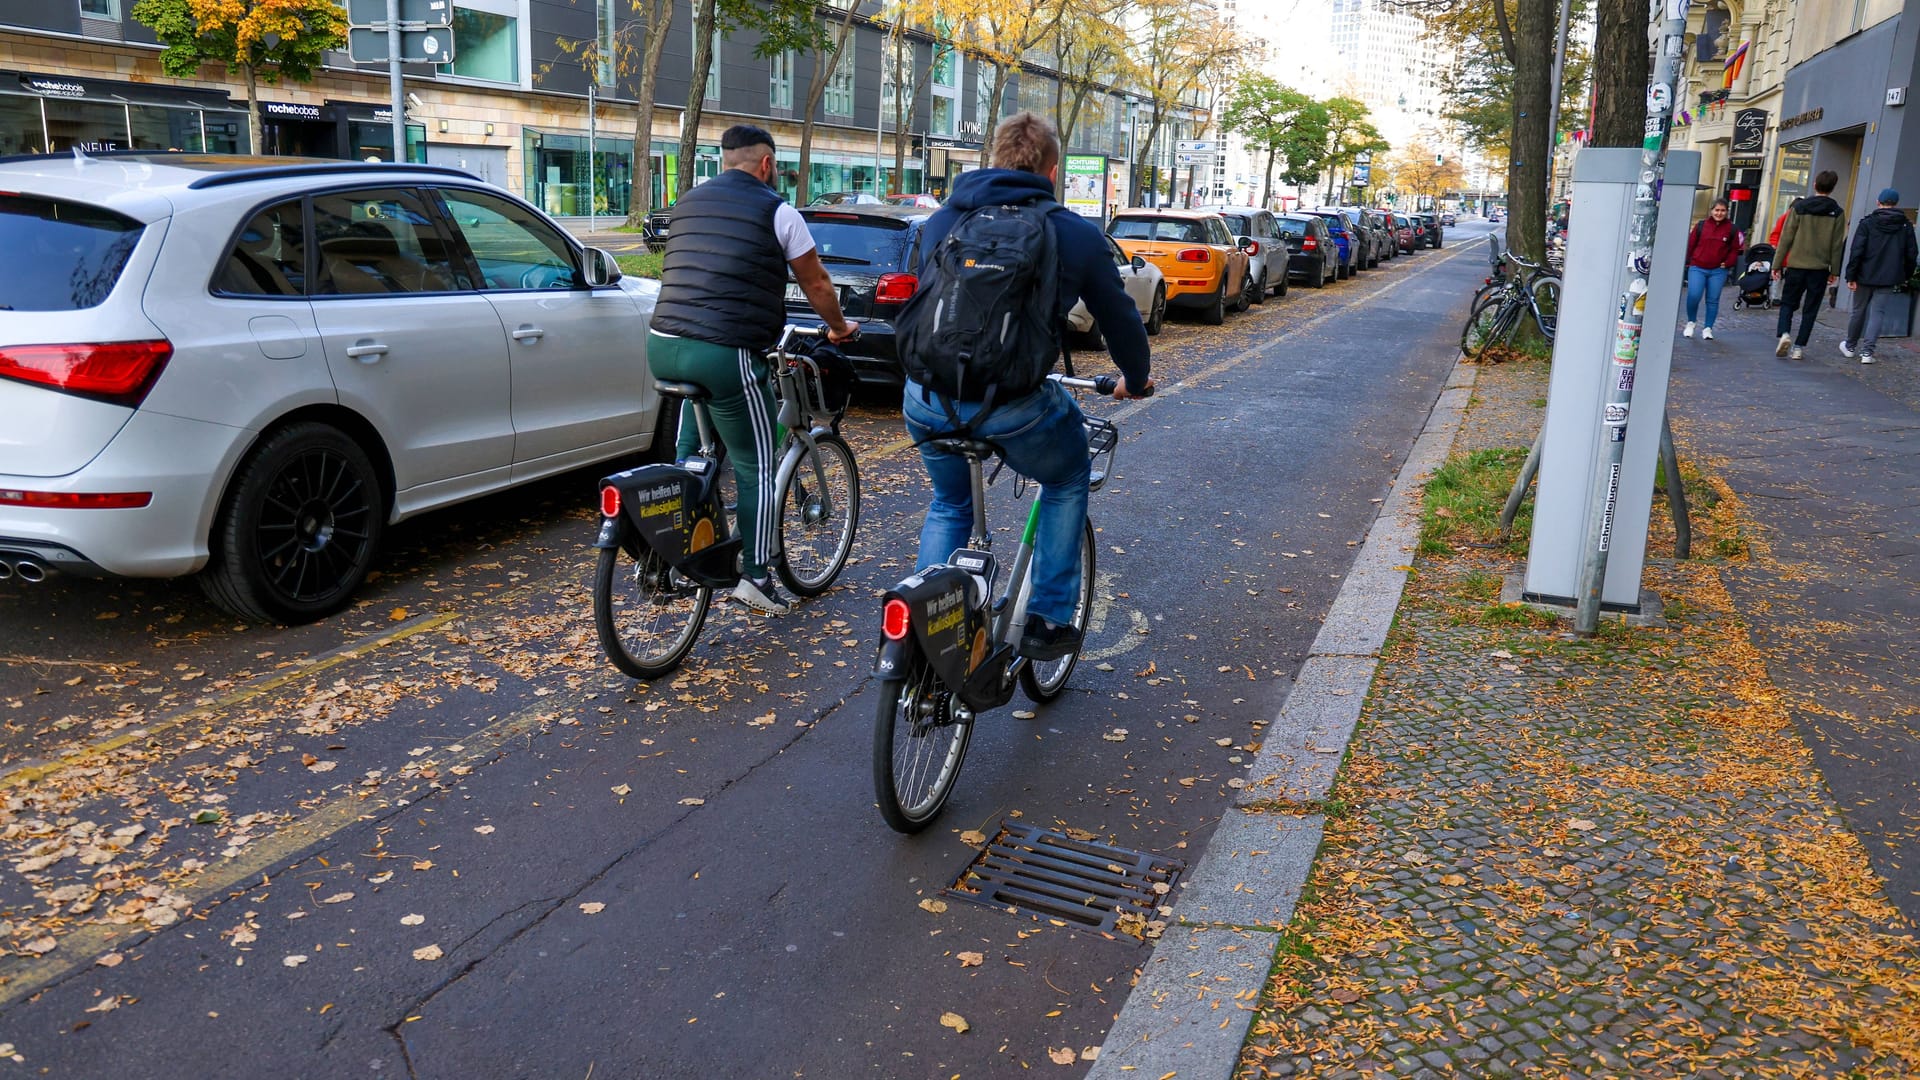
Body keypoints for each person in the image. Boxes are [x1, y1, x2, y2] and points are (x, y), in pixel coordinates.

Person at [902, 112, 1153, 660]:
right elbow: (1120, 320)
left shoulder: (944, 220)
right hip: (1012, 404)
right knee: (1066, 477)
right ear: (1053, 170)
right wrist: (1135, 380)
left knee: (949, 502)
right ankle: (1048, 620)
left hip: (927, 398)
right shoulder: (1074, 234)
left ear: (992, 159)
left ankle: (926, 627)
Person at [647, 124, 857, 615]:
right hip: (725, 350)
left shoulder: (689, 201)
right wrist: (840, 329)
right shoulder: (778, 210)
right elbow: (818, 284)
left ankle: (680, 551)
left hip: (663, 343)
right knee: (756, 464)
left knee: (693, 456)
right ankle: (757, 579)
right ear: (766, 164)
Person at [1772, 170, 1847, 360]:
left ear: (1814, 184)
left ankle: (1785, 333)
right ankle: (1798, 347)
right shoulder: (1837, 213)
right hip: (1819, 269)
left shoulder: (1799, 208)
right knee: (1811, 309)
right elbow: (1836, 244)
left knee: (1788, 302)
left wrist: (1777, 264)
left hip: (1796, 265)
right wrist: (1835, 270)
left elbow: (1786, 238)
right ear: (1832, 188)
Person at [1840, 189, 1919, 364]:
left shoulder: (1867, 223)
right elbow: (1911, 253)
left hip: (1864, 274)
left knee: (1858, 311)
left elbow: (1856, 251)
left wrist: (1850, 275)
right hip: (1889, 276)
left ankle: (1850, 346)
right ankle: (1867, 352)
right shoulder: (1905, 226)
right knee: (1878, 313)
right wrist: (1904, 275)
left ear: (1878, 202)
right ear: (1896, 204)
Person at [1681, 197, 1743, 340]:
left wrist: (1727, 263)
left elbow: (1735, 249)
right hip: (1698, 267)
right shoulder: (1701, 225)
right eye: (1717, 210)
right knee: (1693, 295)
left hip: (1718, 270)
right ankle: (1691, 322)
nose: (1719, 213)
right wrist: (1688, 261)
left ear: (1727, 212)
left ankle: (1708, 328)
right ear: (1711, 211)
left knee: (1713, 299)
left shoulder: (1732, 229)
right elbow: (1691, 244)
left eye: (1722, 211)